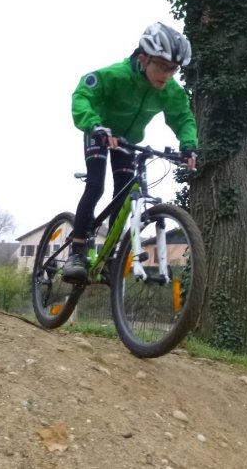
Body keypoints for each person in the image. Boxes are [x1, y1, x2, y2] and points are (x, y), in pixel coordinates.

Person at [63, 22, 198, 281]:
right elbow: (83, 94)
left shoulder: (170, 90)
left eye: (173, 69)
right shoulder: (117, 75)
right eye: (162, 66)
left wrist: (189, 146)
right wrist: (95, 125)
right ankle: (77, 251)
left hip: (127, 140)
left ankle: (110, 257)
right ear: (144, 58)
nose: (167, 75)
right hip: (99, 130)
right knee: (95, 186)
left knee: (123, 193)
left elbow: (182, 118)